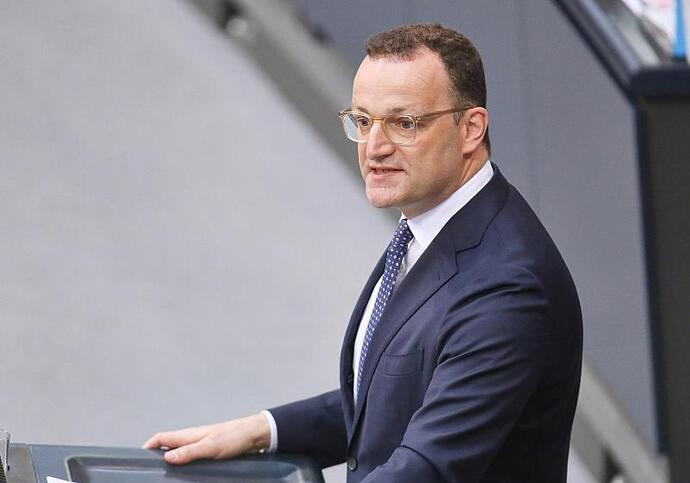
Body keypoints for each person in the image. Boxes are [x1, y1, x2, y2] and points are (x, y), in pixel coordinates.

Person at [144, 23, 583, 482]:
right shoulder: (428, 225)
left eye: (404, 123)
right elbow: (395, 391)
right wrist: (263, 430)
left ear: (471, 128)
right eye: (363, 121)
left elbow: (427, 469)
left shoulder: (508, 288)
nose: (375, 148)